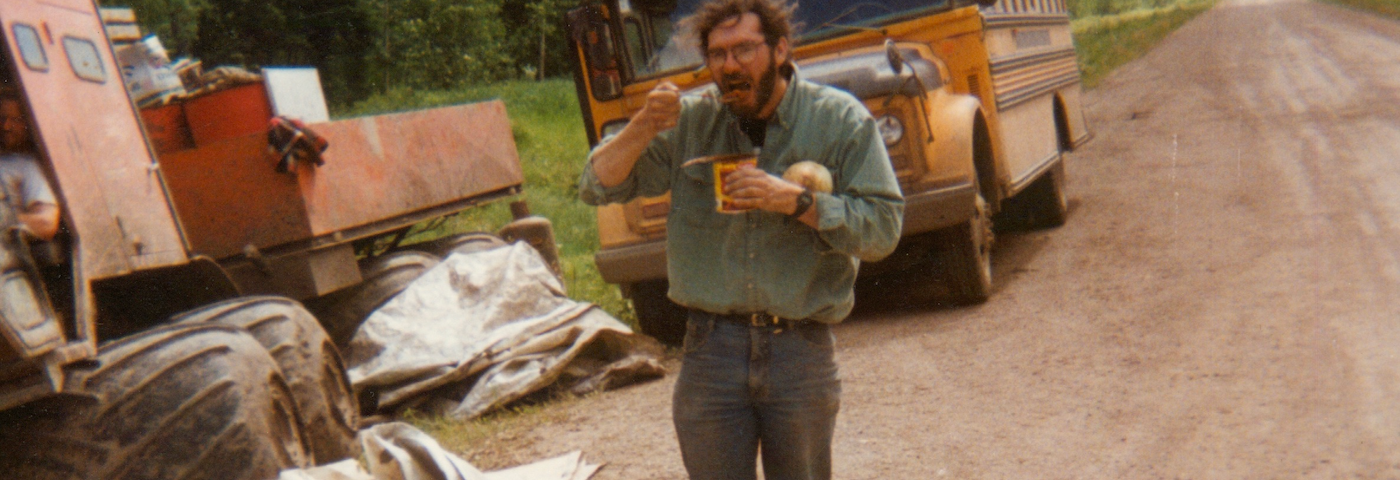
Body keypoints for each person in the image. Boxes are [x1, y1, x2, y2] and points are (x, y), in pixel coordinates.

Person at [577, 0, 904, 478]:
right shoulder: (690, 122)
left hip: (800, 350)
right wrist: (644, 124)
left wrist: (798, 202)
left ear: (780, 50)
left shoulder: (839, 120)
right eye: (718, 54)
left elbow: (883, 230)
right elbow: (596, 184)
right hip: (711, 351)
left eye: (745, 50)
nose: (730, 66)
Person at [0, 92, 59, 241]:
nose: (6, 126)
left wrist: (6, 220)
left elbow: (46, 223)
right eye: (2, 118)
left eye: (15, 119)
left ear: (27, 123)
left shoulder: (27, 166)